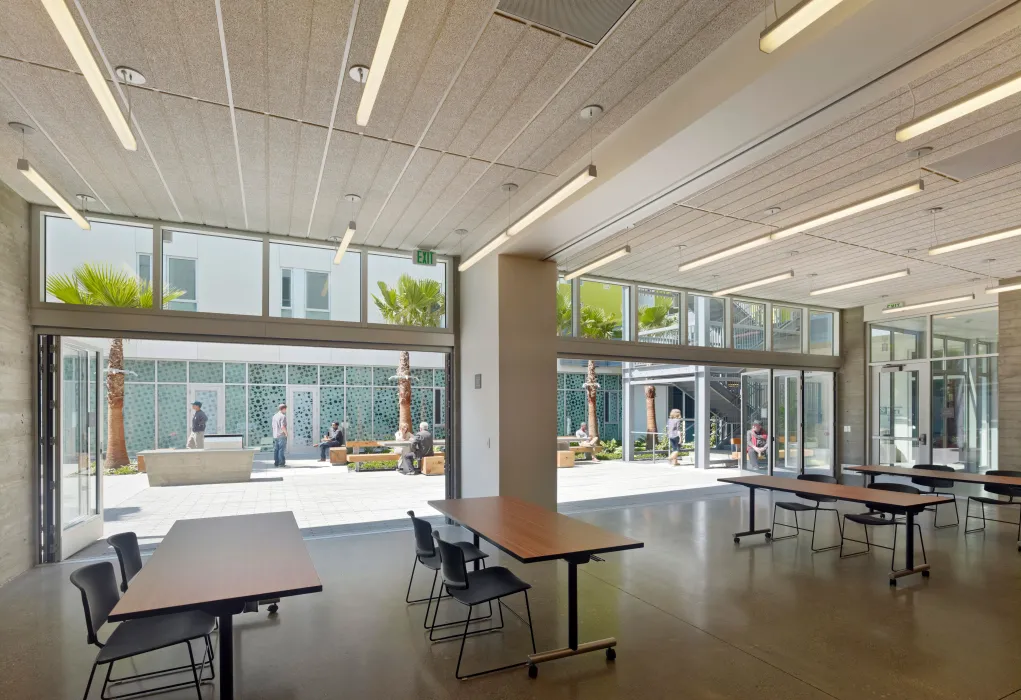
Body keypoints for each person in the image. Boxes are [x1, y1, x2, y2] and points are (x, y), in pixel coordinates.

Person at [272, 403, 288, 467]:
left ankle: (276, 462)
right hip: (281, 435)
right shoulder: (283, 416)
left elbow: (272, 426)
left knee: (276, 449)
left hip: (275, 435)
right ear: (283, 409)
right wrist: (286, 433)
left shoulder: (274, 416)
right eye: (285, 409)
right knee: (281, 449)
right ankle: (281, 463)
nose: (286, 410)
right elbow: (282, 426)